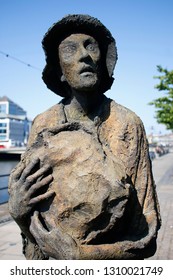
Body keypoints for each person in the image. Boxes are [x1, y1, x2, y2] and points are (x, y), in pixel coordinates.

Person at [8, 14, 161, 260]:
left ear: (102, 62)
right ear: (59, 71)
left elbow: (146, 235)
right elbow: (36, 240)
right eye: (70, 50)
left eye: (91, 46)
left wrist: (81, 256)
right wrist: (19, 214)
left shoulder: (127, 125)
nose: (84, 55)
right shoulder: (44, 124)